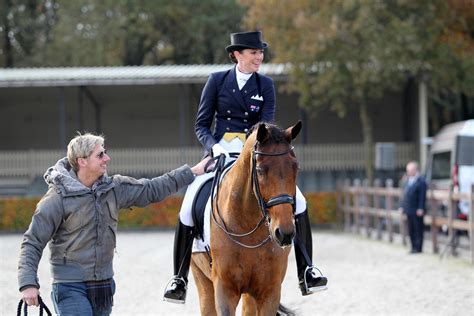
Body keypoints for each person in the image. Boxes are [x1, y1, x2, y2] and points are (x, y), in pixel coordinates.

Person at [163, 30, 328, 304]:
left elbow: (266, 126)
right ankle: (178, 278)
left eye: (261, 53)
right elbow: (201, 124)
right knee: (188, 205)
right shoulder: (217, 81)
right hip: (220, 154)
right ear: (237, 55)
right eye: (253, 53)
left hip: (256, 156)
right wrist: (214, 146)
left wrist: (254, 151)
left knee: (299, 201)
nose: (259, 57)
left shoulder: (265, 85)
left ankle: (307, 270)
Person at [18, 132, 210, 315]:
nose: (106, 158)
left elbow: (151, 188)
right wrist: (28, 283)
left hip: (104, 287)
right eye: (100, 155)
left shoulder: (114, 188)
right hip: (70, 287)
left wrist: (191, 172)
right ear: (82, 161)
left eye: (105, 152)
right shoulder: (57, 198)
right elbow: (33, 241)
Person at [399, 161, 427, 254]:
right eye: (408, 170)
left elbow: (422, 196)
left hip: (417, 209)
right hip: (408, 208)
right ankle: (413, 246)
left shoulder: (421, 181)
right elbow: (404, 195)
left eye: (410, 170)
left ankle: (418, 247)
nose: (408, 172)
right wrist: (402, 206)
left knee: (418, 228)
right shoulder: (407, 181)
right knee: (411, 229)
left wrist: (421, 208)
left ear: (415, 170)